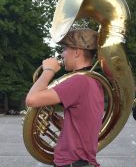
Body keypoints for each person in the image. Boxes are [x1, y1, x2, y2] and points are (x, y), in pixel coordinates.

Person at [26, 28, 104, 167]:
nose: (62, 54)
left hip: (71, 162)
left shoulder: (79, 81)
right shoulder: (93, 82)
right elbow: (85, 124)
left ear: (77, 52)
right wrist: (65, 125)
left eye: (65, 49)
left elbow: (31, 99)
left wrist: (48, 70)